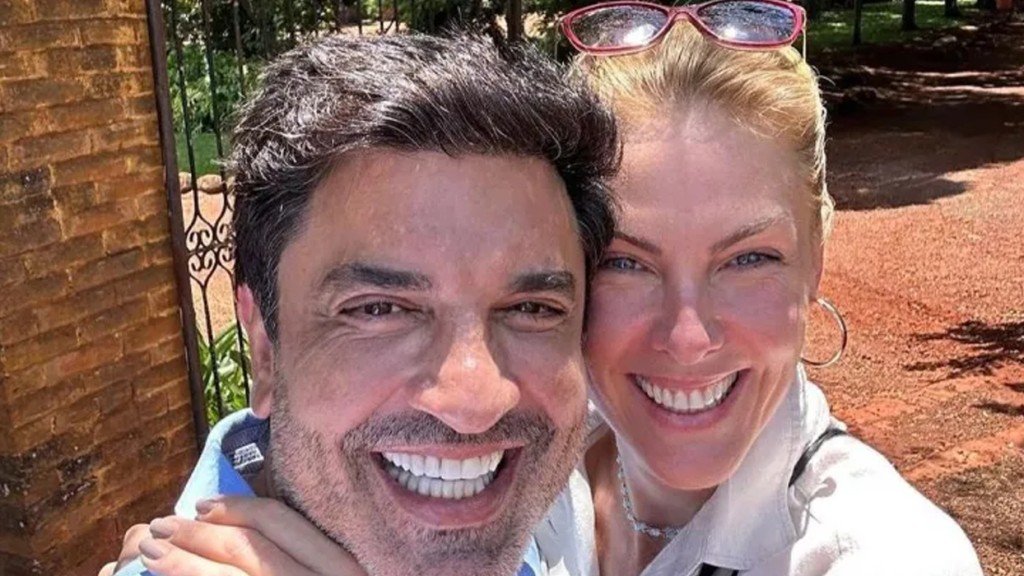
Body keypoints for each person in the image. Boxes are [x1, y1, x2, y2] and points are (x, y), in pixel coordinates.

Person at [105, 3, 986, 575]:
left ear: (816, 258)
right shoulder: (514, 454)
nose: (687, 336)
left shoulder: (885, 555)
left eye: (748, 259)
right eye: (628, 263)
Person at [104, 30, 620, 576]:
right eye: (378, 309)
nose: (475, 403)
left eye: (532, 309)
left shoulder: (535, 532)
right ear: (264, 350)